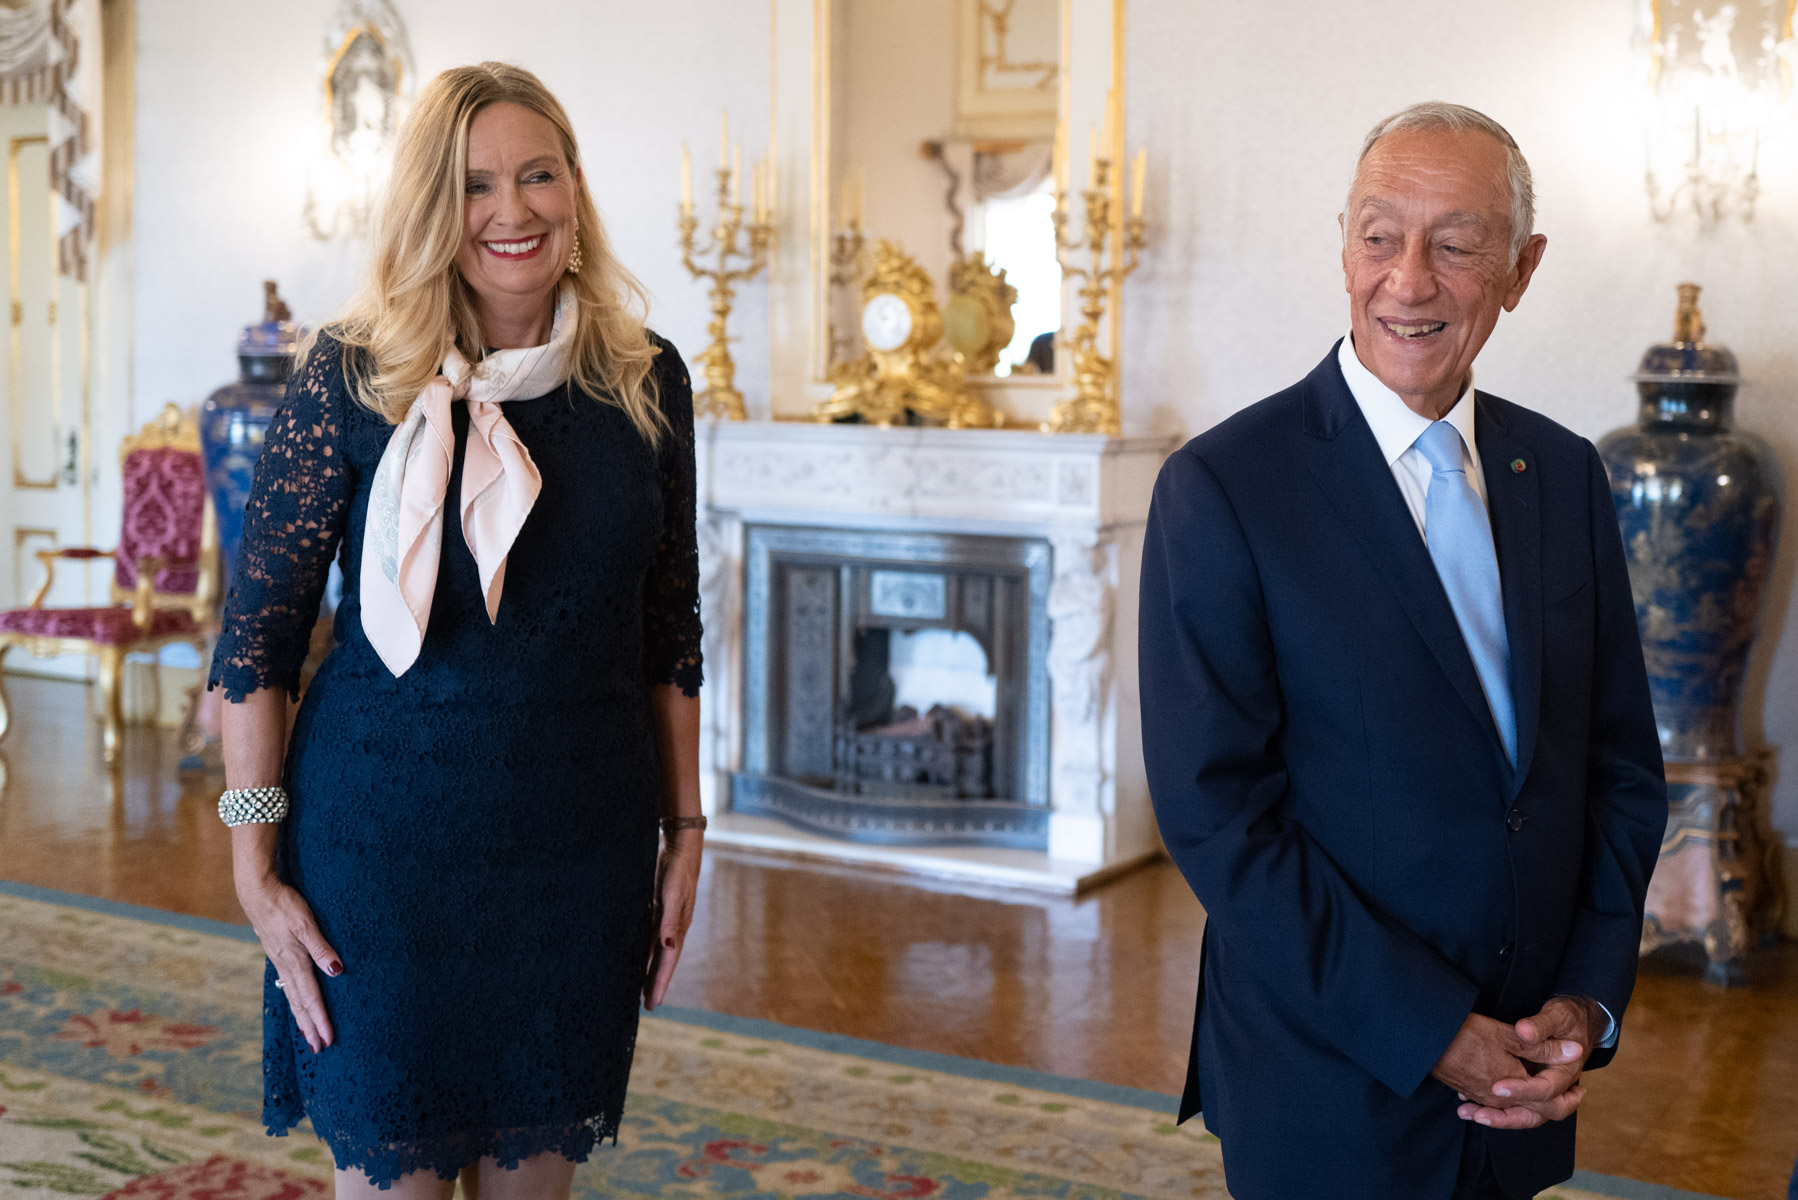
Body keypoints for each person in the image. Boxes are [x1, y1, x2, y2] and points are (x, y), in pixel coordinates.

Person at [1137, 101, 1667, 1200]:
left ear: (1520, 270)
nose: (1408, 280)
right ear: (1344, 246)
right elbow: (1218, 817)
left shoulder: (1563, 473)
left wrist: (1585, 1003)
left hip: (1526, 1065)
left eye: (1456, 245)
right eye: (1380, 237)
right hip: (1329, 1077)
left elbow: (1616, 768)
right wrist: (1431, 1029)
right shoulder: (1223, 488)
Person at [209, 63, 704, 1200]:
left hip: (577, 857)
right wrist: (252, 865)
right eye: (476, 184)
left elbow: (669, 626)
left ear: (575, 190)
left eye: (539, 175)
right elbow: (257, 641)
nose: (512, 210)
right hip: (379, 863)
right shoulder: (350, 374)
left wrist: (687, 833)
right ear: (434, 206)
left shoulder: (645, 380)